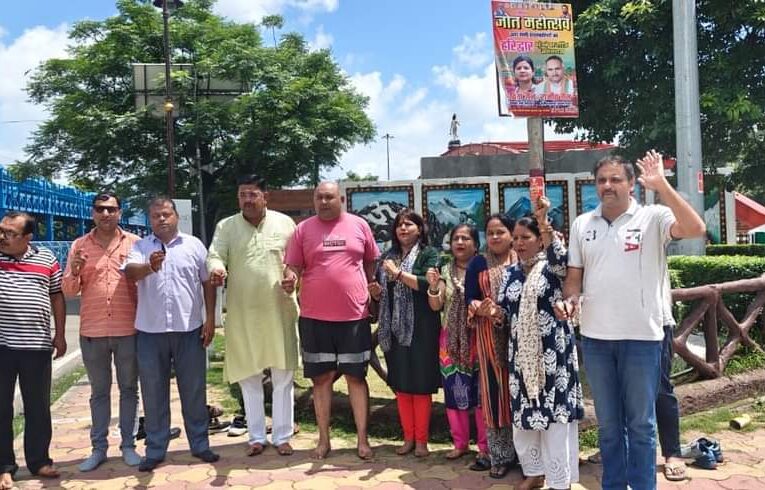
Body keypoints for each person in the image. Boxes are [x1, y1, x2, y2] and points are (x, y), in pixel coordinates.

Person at [557, 151, 706, 489]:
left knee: (641, 425)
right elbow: (575, 276)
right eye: (601, 180)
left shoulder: (653, 217)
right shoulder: (583, 224)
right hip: (595, 339)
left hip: (643, 338)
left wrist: (662, 185)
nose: (607, 186)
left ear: (631, 185)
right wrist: (569, 300)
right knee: (609, 426)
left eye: (615, 179)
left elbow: (695, 228)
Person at [283, 181, 379, 460]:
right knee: (321, 380)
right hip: (314, 318)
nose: (324, 202)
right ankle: (324, 441)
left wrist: (371, 289)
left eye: (329, 197)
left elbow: (370, 260)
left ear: (341, 199)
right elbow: (294, 266)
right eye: (319, 198)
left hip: (353, 317)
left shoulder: (360, 226)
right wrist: (290, 278)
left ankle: (363, 440)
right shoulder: (303, 230)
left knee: (356, 378)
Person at [207, 175, 299, 457]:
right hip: (243, 312)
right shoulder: (227, 226)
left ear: (264, 197)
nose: (247, 200)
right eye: (242, 195)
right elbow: (214, 255)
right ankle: (256, 436)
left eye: (252, 194)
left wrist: (293, 276)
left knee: (283, 375)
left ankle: (283, 435)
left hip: (279, 309)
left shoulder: (285, 224)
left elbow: (296, 261)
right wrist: (217, 268)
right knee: (249, 375)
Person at [123, 197, 219, 472]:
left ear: (176, 216)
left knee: (194, 391)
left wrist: (210, 318)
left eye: (166, 214)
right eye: (155, 216)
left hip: (189, 330)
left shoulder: (194, 245)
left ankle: (200, 445)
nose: (161, 219)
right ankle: (155, 449)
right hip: (150, 332)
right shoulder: (140, 247)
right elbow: (130, 273)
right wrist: (150, 266)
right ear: (149, 221)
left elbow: (206, 283)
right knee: (153, 393)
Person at [498, 198, 583, 490]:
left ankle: (560, 481)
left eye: (526, 238)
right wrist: (490, 312)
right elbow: (505, 312)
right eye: (516, 238)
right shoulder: (509, 273)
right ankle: (534, 472)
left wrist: (544, 220)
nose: (519, 244)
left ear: (540, 239)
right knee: (524, 419)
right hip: (521, 358)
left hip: (554, 356)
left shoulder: (554, 269)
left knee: (555, 419)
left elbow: (562, 258)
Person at [62, 193, 142, 471]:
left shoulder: (135, 244)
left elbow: (145, 284)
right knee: (99, 391)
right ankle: (98, 448)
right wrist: (74, 271)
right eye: (100, 209)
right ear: (93, 213)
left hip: (128, 328)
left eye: (111, 209)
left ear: (120, 212)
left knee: (129, 388)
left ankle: (129, 446)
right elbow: (69, 291)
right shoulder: (80, 246)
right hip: (93, 330)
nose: (106, 214)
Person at [0, 211, 66, 489]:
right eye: (1, 231)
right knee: (1, 408)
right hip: (2, 346)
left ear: (27, 237)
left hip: (37, 346)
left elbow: (57, 296)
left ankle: (39, 461)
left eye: (10, 233)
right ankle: (4, 467)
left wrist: (60, 334)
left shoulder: (46, 259)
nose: (2, 237)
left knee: (38, 407)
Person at [369, 210, 440, 457]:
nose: (403, 229)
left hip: (422, 329)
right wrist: (377, 292)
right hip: (393, 329)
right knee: (401, 384)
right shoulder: (388, 256)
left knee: (419, 384)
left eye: (409, 224)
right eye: (399, 225)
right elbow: (383, 294)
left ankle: (421, 440)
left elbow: (425, 284)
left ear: (420, 229)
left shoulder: (429, 254)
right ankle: (408, 437)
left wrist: (397, 274)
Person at [426, 224, 489, 468]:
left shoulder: (484, 268)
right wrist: (433, 286)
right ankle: (460, 444)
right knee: (455, 392)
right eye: (456, 238)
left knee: (482, 394)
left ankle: (485, 446)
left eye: (465, 238)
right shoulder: (444, 270)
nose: (460, 242)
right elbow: (436, 305)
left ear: (475, 244)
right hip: (450, 340)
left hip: (480, 337)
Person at [465, 214, 518, 479]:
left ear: (511, 234)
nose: (495, 237)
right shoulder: (478, 262)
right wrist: (483, 309)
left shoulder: (522, 258)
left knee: (522, 394)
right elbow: (470, 299)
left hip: (522, 337)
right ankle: (499, 456)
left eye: (500, 232)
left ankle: (528, 455)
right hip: (489, 338)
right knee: (495, 395)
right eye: (490, 232)